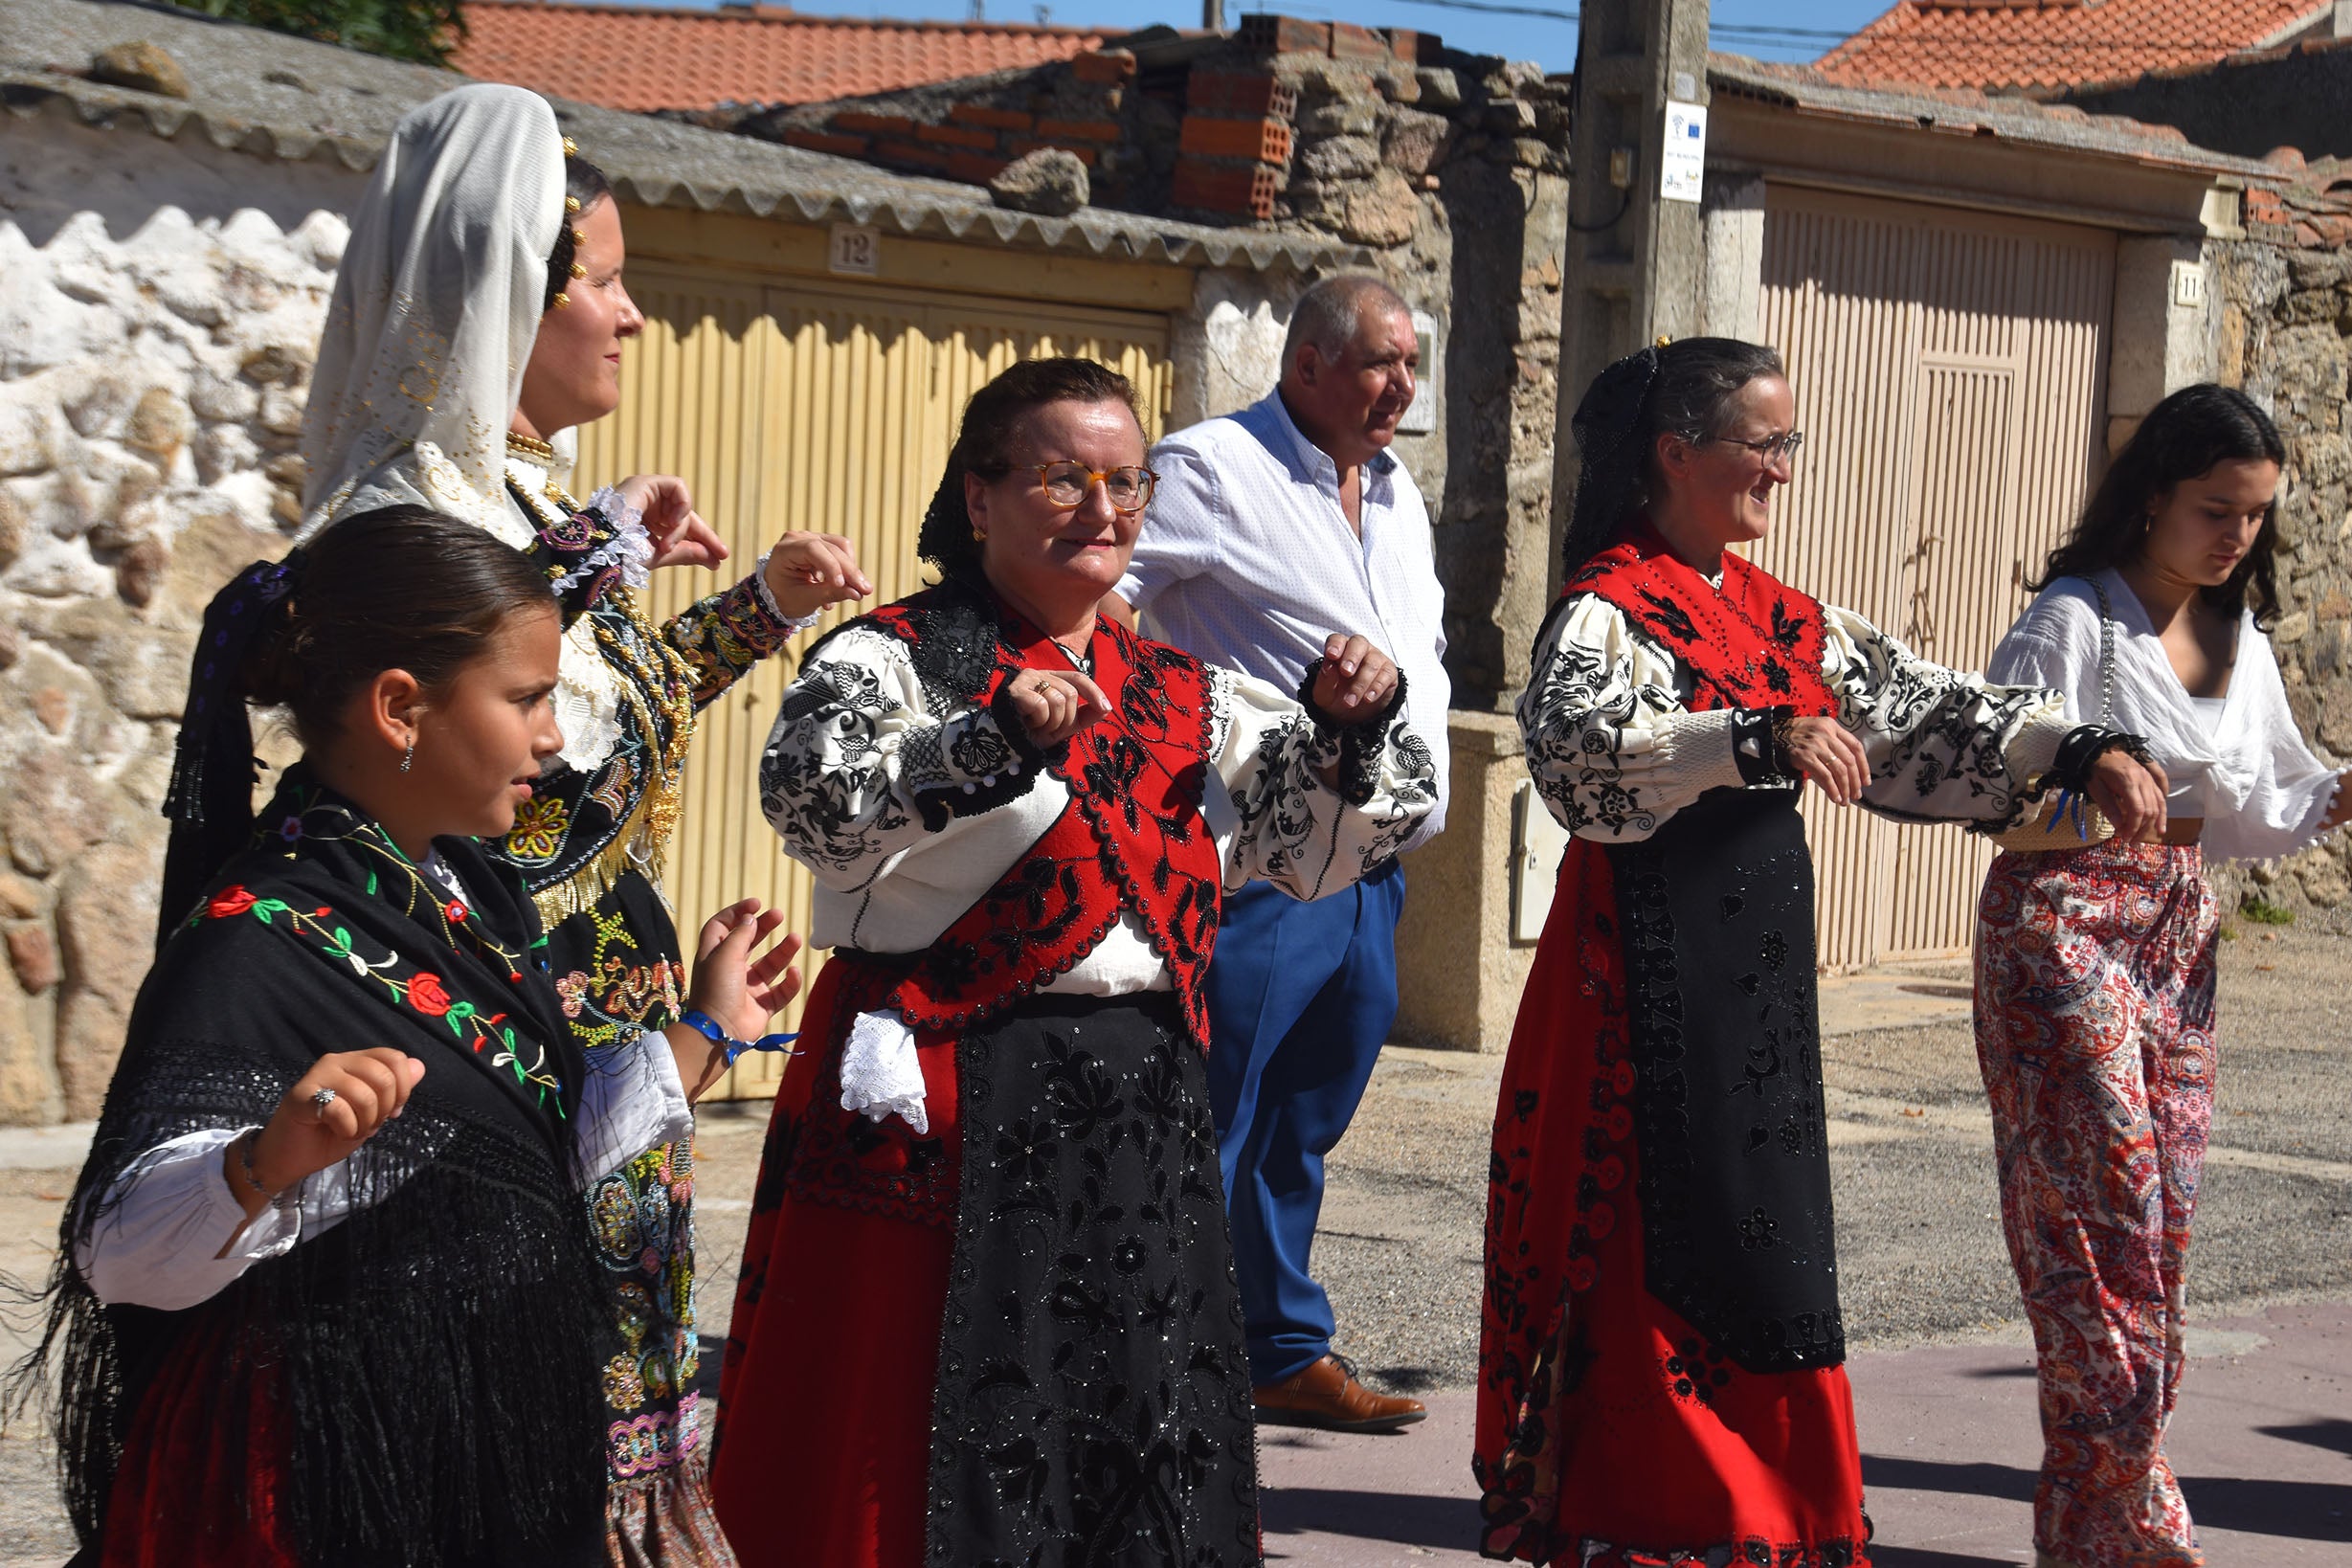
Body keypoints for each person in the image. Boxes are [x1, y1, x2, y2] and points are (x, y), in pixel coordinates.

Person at [711, 356, 1438, 1567]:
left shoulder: (1184, 691)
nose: (1104, 510)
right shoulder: (891, 657)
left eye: (1124, 481)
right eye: (1063, 479)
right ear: (980, 497)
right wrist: (985, 741)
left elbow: (1314, 851)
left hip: (1139, 1103)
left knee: (1133, 1402)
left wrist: (1350, 730)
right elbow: (815, 812)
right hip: (944, 1087)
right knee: (924, 1421)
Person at [1475, 338, 2166, 1566]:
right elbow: (1576, 758)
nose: (1784, 472)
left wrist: (2079, 748)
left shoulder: (1777, 613)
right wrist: (1748, 740)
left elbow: (1930, 708)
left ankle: (1778, 1514)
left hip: (1752, 972)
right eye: (1767, 443)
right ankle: (1665, 1516)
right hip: (1642, 973)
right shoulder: (1607, 605)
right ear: (1677, 454)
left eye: (1789, 444)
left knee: (1767, 1218)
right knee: (1666, 1221)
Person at [298, 84, 867, 1559]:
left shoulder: (523, 507)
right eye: (599, 278)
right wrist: (585, 564)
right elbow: (496, 817)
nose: (627, 313)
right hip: (508, 1064)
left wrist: (751, 609)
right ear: (505, 287)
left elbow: (593, 734)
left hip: (616, 1056)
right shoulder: (414, 527)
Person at [20, 506, 797, 1568]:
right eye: (526, 698)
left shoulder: (459, 885)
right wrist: (263, 1163)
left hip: (476, 1449)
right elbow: (117, 1249)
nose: (553, 736)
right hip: (330, 1481)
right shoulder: (264, 938)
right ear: (400, 709)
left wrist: (704, 1031)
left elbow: (536, 1142)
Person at [1973, 384, 2351, 1568]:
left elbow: (2263, 801)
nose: (2236, 535)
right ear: (2150, 498)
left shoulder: (2239, 639)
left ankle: (2098, 1513)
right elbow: (1993, 782)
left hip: (2179, 931)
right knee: (2100, 1217)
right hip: (2064, 923)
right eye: (2214, 509)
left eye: (2253, 516)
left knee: (2166, 1216)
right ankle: (2124, 1509)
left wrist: (2338, 796)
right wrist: (2089, 772)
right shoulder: (2074, 618)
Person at [1107, 273, 1449, 1431]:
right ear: (1305, 364)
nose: (1402, 383)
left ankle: (1279, 1348)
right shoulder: (1209, 469)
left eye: (1410, 363)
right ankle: (1153, 1350)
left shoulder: (1399, 492)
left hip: (1375, 863)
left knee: (1308, 1116)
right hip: (1255, 864)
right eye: (1379, 362)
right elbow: (1101, 605)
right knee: (1216, 1109)